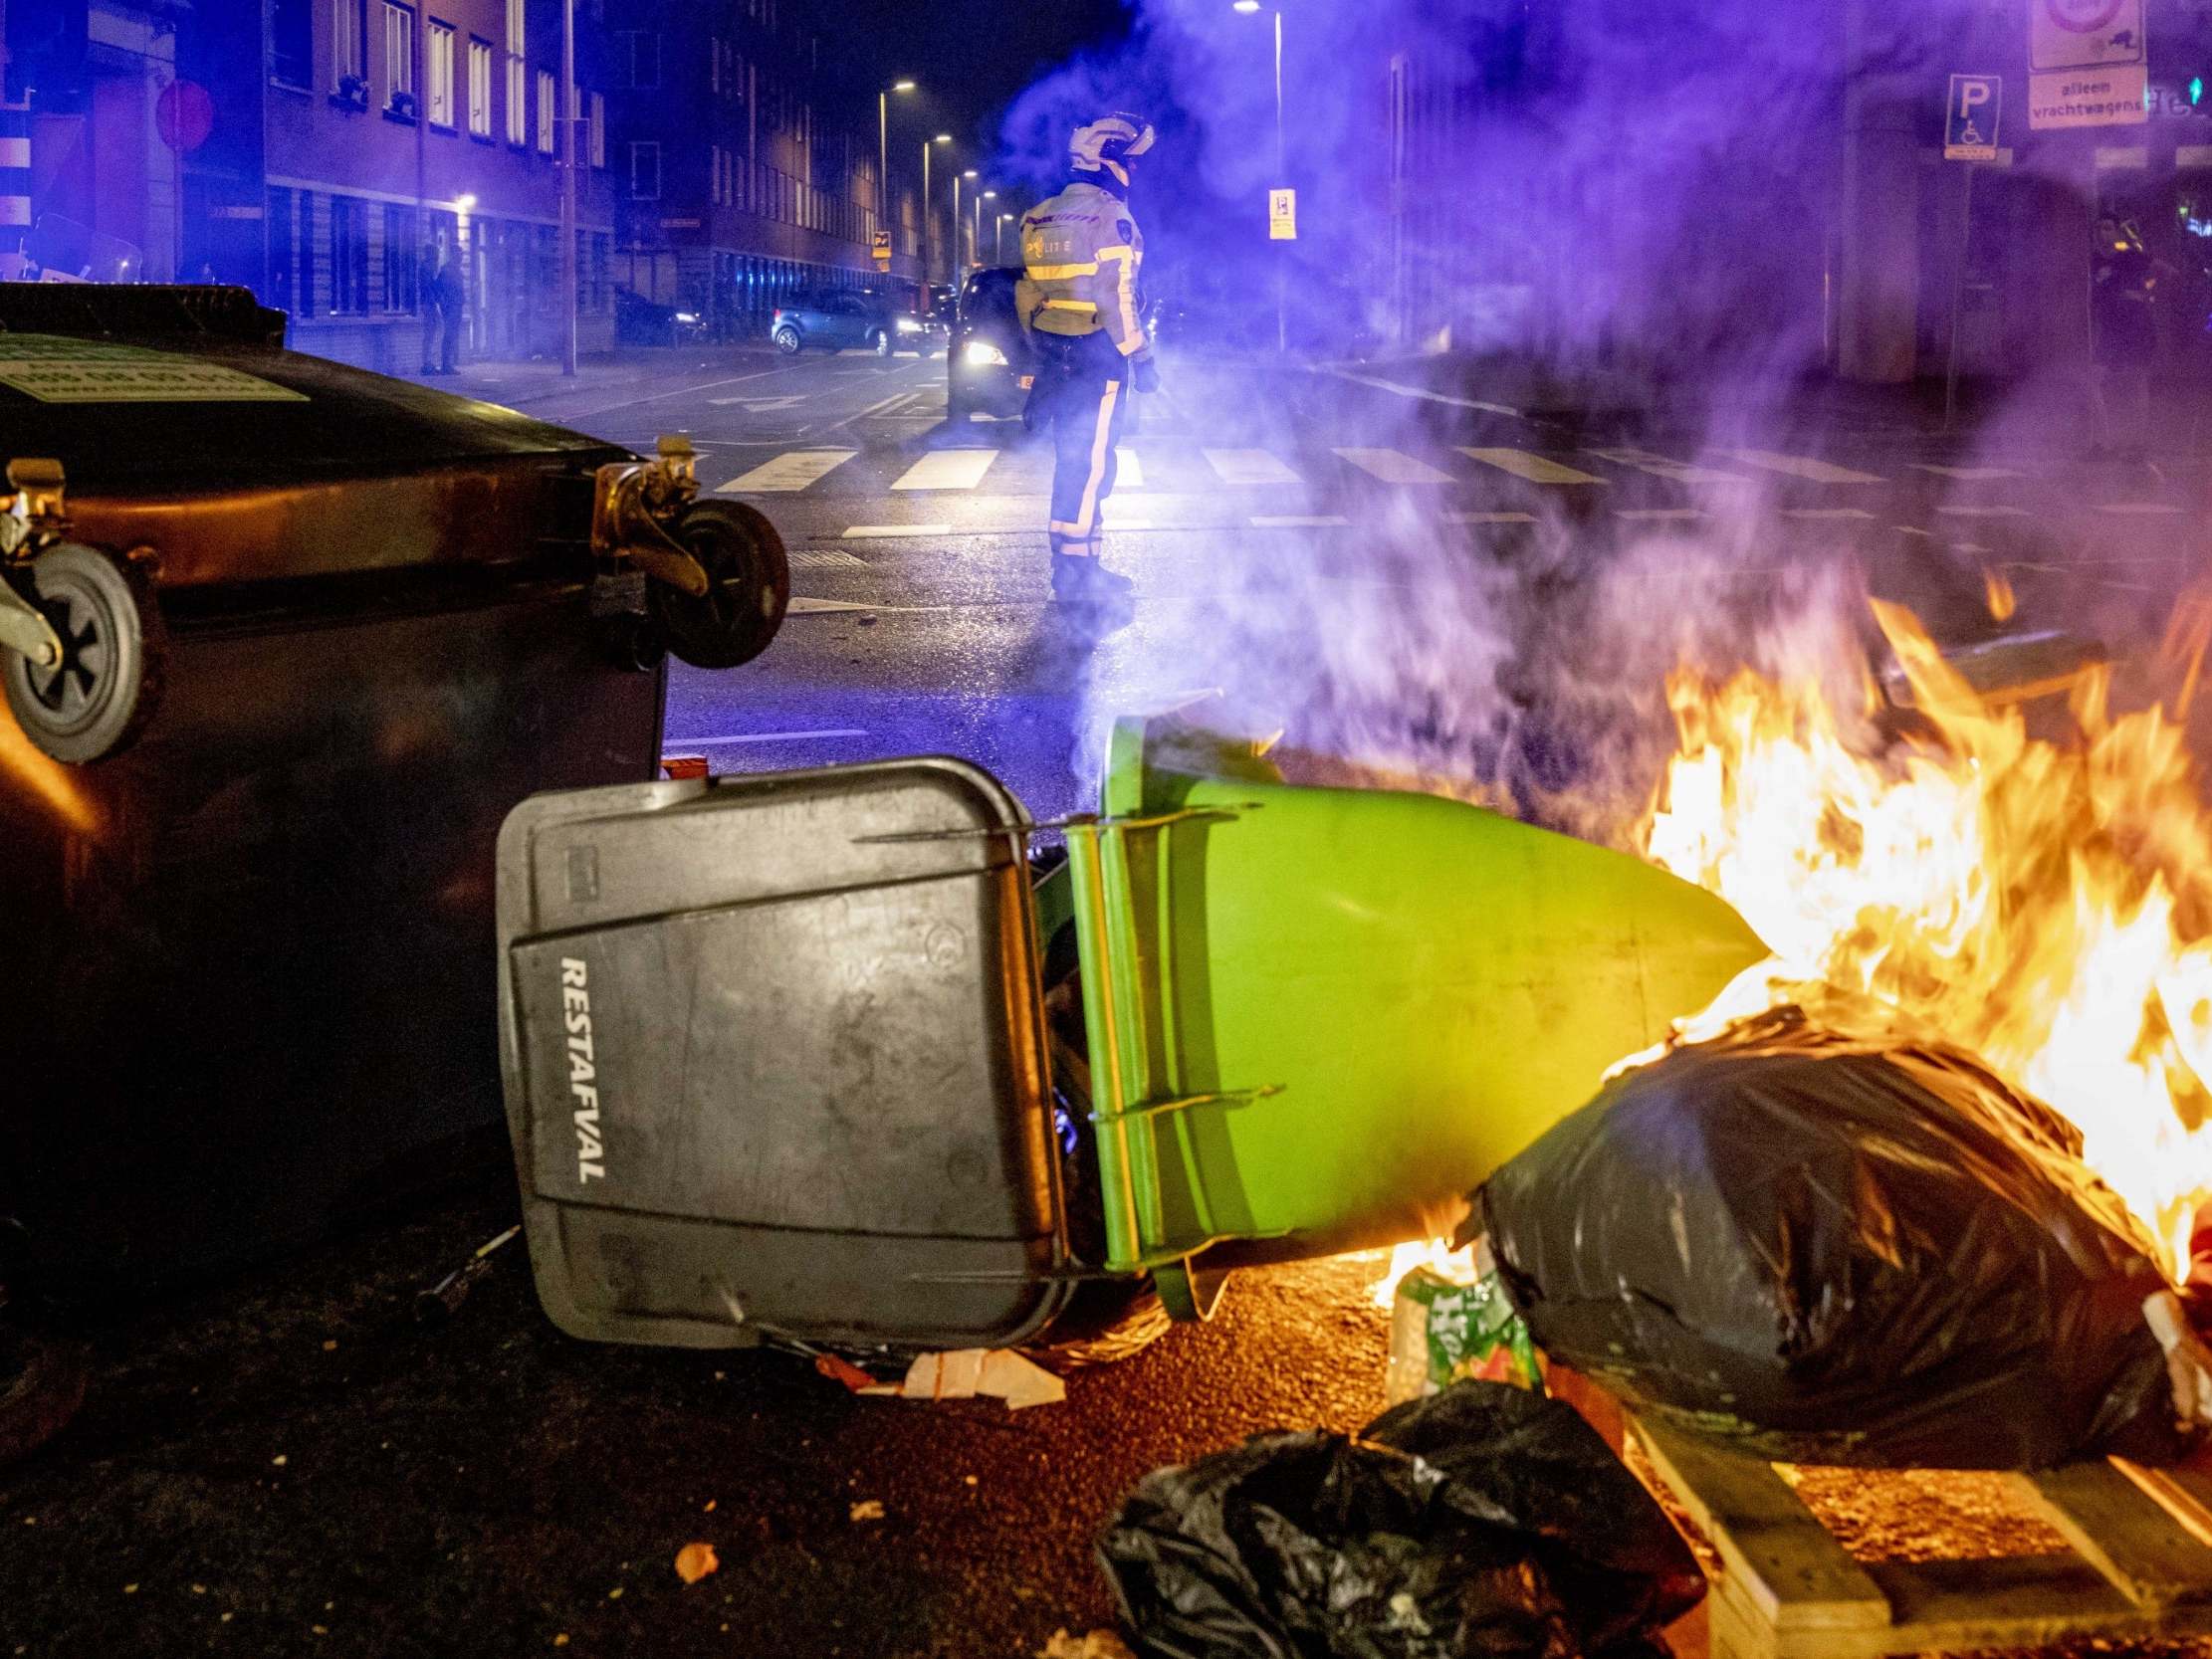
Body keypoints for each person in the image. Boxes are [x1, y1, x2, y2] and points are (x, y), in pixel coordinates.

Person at [1018, 112, 1161, 609]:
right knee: (1092, 465)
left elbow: (1028, 295)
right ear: (1111, 164)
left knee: (1074, 461)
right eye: (1131, 163)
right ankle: (1075, 579)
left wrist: (1039, 352)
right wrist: (1140, 356)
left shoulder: (1038, 216)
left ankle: (1080, 566)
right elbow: (1116, 296)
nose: (1134, 173)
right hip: (1098, 355)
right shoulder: (1110, 217)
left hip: (1055, 353)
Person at [2091, 215, 2157, 460]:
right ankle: (2103, 443)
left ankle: (2138, 444)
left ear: (2116, 232)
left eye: (2108, 228)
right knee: (2093, 381)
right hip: (2110, 330)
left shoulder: (2129, 256)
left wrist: (2143, 295)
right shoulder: (2095, 260)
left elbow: (2153, 270)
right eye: (2099, 228)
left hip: (2135, 327)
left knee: (2136, 382)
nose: (2102, 233)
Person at [419, 242, 463, 375]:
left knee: (435, 333)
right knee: (434, 334)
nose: (438, 256)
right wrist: (441, 301)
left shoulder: (435, 269)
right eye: (436, 254)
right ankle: (431, 364)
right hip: (436, 305)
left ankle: (432, 363)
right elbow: (432, 288)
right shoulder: (430, 268)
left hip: (438, 305)